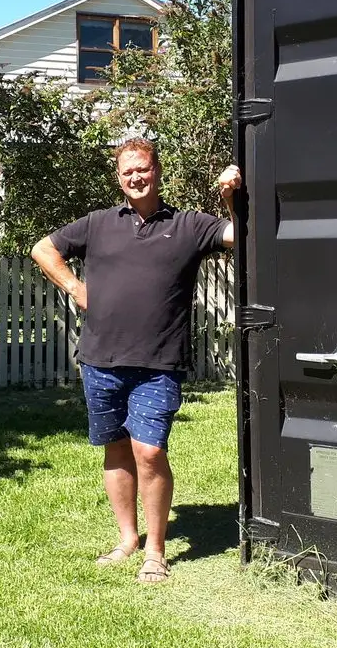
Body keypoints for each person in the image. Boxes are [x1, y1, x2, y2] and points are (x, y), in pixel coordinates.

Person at [31, 137, 241, 584]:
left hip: (158, 363)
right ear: (118, 177)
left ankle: (156, 550)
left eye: (142, 168)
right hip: (100, 359)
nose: (136, 178)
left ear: (157, 170)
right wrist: (75, 288)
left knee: (150, 450)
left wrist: (231, 198)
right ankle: (127, 539)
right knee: (116, 450)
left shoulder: (187, 225)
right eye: (127, 172)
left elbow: (239, 236)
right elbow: (43, 249)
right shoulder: (98, 224)